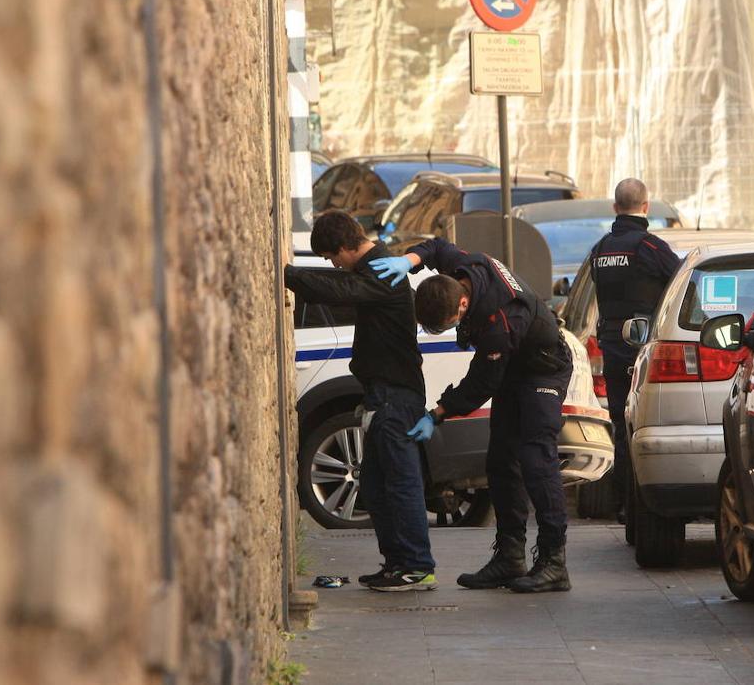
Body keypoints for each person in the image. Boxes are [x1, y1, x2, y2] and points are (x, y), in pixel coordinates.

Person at [369, 239, 574, 593]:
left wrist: (437, 414)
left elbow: (481, 384)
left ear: (463, 304)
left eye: (448, 325)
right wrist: (408, 261)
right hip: (513, 369)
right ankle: (510, 557)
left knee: (535, 459)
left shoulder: (500, 320)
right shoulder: (463, 269)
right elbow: (434, 248)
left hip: (544, 369)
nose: (448, 331)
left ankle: (554, 562)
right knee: (499, 460)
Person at [283, 209, 437, 592]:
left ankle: (417, 565)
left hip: (395, 396)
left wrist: (287, 274)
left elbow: (342, 291)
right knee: (376, 487)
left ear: (344, 247)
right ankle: (397, 561)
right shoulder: (372, 268)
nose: (334, 264)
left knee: (400, 485)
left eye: (332, 256)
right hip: (382, 395)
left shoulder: (384, 270)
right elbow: (342, 282)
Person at [588, 178, 680, 517]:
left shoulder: (599, 250)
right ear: (646, 207)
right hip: (644, 351)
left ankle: (622, 503)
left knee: (619, 424)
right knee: (643, 426)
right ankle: (639, 503)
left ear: (615, 208)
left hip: (611, 350)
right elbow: (683, 287)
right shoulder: (650, 248)